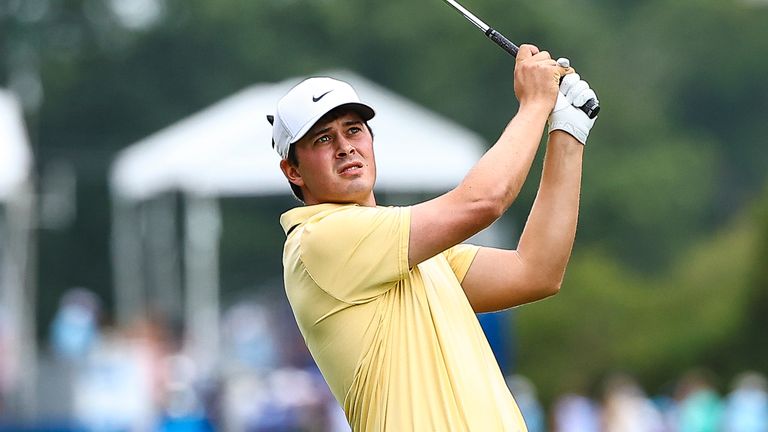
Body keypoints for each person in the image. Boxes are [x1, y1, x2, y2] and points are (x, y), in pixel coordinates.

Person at [269, 44, 598, 431]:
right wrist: (534, 105)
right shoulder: (317, 239)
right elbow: (483, 202)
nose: (345, 147)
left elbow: (536, 272)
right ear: (293, 170)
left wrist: (568, 131)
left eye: (353, 130)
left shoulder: (417, 253)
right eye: (323, 139)